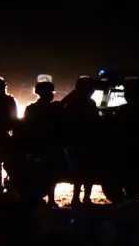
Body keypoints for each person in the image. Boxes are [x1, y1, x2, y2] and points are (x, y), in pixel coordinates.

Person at [23, 80, 62, 206]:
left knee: (44, 173)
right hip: (46, 145)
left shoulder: (31, 109)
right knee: (49, 173)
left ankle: (43, 198)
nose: (52, 95)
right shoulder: (54, 109)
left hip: (40, 145)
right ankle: (48, 198)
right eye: (50, 92)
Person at [63, 76, 100, 205]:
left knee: (83, 172)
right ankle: (81, 198)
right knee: (83, 172)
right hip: (81, 142)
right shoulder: (79, 104)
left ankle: (81, 198)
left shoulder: (83, 103)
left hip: (83, 142)